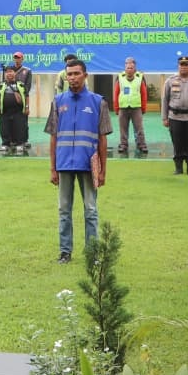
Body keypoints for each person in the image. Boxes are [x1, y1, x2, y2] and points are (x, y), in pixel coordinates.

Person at [46, 59, 111, 264]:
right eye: (69, 74)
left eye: (76, 73)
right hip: (64, 164)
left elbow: (102, 138)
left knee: (90, 210)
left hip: (87, 164)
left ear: (85, 75)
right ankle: (65, 252)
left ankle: (92, 254)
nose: (72, 77)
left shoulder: (98, 102)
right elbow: (53, 137)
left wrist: (102, 170)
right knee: (64, 210)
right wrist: (52, 168)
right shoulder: (58, 101)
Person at [112, 57, 148, 154]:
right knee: (123, 128)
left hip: (136, 108)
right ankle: (123, 145)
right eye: (127, 66)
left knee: (139, 128)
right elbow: (116, 93)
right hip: (122, 108)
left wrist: (143, 108)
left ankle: (141, 145)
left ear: (134, 67)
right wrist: (116, 108)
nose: (129, 68)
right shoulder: (119, 77)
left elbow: (144, 93)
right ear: (125, 66)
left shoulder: (140, 77)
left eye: (131, 67)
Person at [0, 65, 25, 154]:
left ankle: (19, 144)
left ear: (15, 73)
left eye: (11, 71)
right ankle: (5, 144)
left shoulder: (21, 84)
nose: (9, 73)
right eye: (7, 72)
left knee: (19, 127)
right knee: (4, 128)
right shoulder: (0, 85)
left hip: (18, 111)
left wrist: (27, 107)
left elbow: (26, 96)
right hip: (4, 111)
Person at [10, 51, 33, 150]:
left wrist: (22, 96)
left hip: (22, 99)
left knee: (23, 120)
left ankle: (24, 140)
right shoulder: (9, 70)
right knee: (11, 120)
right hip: (10, 98)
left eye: (19, 57)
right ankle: (13, 140)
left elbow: (28, 86)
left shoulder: (27, 71)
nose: (17, 59)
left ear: (22, 59)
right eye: (15, 57)